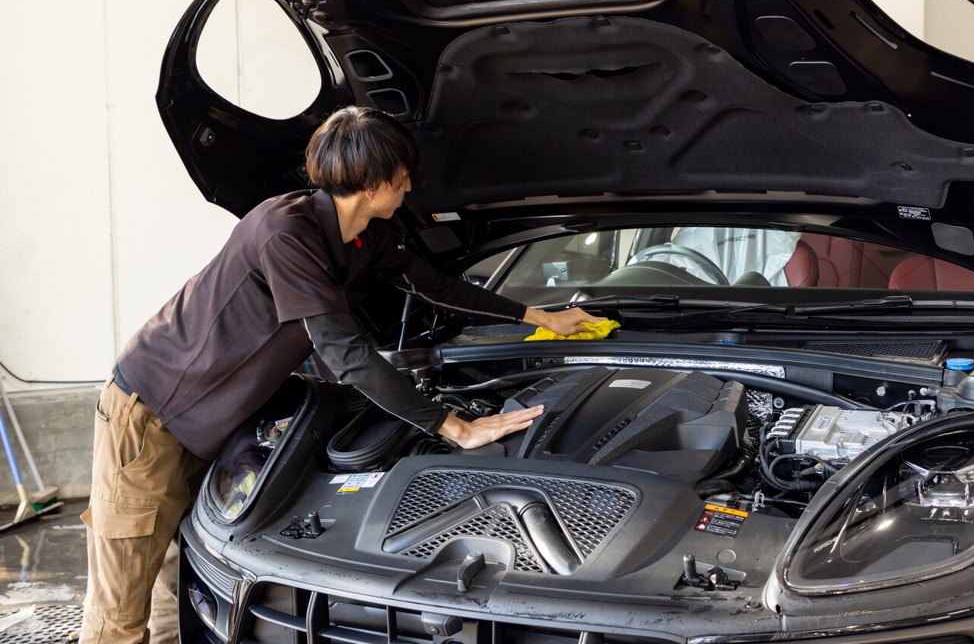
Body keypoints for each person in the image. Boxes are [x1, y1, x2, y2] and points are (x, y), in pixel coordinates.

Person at [79, 106, 601, 643]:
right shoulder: (286, 232)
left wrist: (542, 316)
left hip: (214, 418)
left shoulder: (363, 235)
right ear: (376, 184)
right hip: (152, 415)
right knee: (119, 610)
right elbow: (346, 353)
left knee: (178, 580)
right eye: (404, 174)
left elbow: (436, 287)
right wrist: (454, 427)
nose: (411, 184)